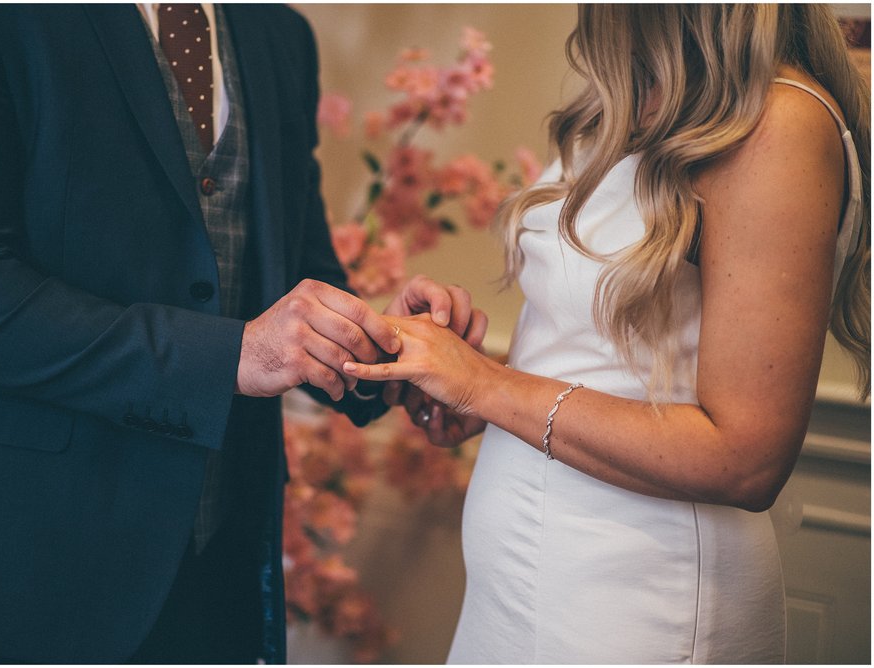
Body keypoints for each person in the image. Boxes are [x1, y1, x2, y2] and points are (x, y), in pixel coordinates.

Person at [0, 4, 484, 664]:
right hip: (3, 558)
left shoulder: (276, 34)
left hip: (211, 568)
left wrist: (392, 351)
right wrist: (232, 355)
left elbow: (294, 272)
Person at [344, 4, 870, 663]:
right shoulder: (631, 99)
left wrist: (487, 385)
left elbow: (746, 457)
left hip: (638, 599)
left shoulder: (775, 121)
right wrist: (457, 368)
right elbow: (611, 361)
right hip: (521, 583)